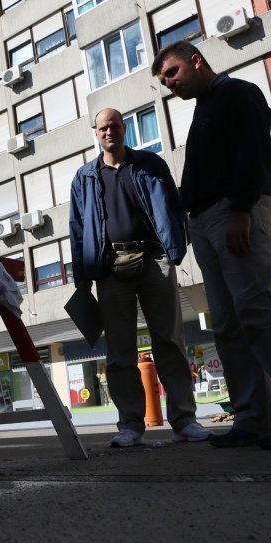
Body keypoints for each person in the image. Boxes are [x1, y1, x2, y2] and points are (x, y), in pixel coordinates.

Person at [69, 107, 212, 448]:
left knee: (170, 341)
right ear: (95, 132)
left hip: (154, 259)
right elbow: (76, 228)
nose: (109, 132)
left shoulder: (150, 163)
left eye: (115, 126)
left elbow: (173, 205)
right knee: (120, 350)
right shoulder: (84, 177)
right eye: (103, 127)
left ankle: (184, 420)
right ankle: (130, 425)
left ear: (124, 129)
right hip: (109, 266)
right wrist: (82, 276)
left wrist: (176, 246)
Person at [152, 41, 271, 449]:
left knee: (257, 312)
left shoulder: (238, 92)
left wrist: (241, 209)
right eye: (164, 80)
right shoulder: (203, 108)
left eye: (171, 73)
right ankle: (252, 419)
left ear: (196, 61)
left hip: (234, 213)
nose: (169, 84)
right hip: (204, 221)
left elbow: (253, 152)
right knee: (227, 323)